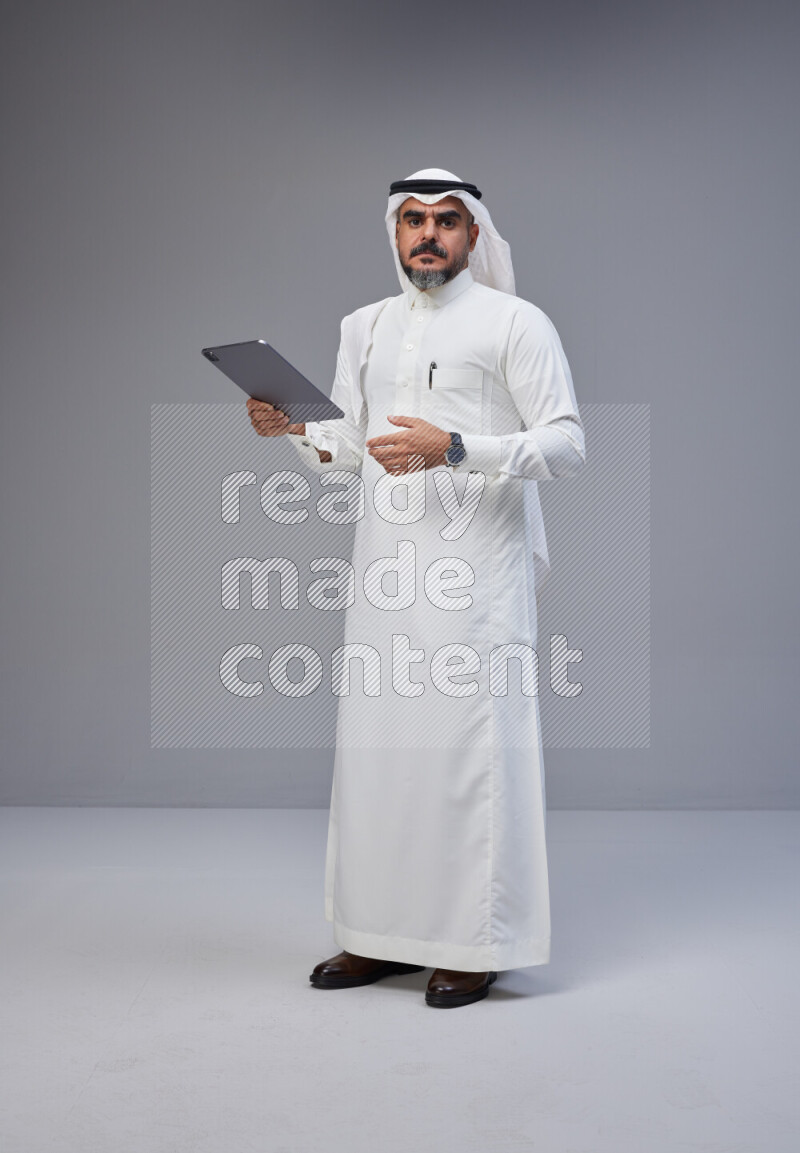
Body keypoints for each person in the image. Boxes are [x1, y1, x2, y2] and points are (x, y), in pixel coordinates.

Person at [247, 168, 585, 1008]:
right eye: (412, 220)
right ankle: (374, 936)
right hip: (385, 575)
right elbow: (350, 450)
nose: (427, 233)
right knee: (380, 755)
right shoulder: (362, 326)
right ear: (393, 234)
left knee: (469, 757)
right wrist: (294, 427)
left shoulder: (516, 322)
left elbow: (568, 442)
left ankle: (474, 942)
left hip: (478, 575)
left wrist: (459, 446)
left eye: (444, 220)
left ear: (473, 234)